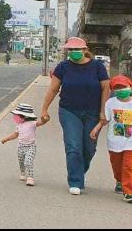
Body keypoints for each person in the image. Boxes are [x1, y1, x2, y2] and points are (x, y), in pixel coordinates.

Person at [39, 37, 111, 195]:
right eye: (71, 50)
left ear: (85, 50)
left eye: (77, 49)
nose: (74, 52)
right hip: (69, 111)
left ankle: (78, 171)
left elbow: (106, 89)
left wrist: (102, 111)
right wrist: (44, 109)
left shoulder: (97, 67)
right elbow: (53, 90)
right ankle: (76, 181)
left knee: (89, 149)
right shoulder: (63, 67)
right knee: (73, 147)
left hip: (92, 113)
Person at [90, 75, 132, 204]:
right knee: (117, 166)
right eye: (117, 88)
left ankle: (128, 192)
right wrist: (96, 129)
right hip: (115, 141)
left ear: (130, 86)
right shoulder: (111, 103)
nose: (121, 90)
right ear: (113, 90)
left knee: (128, 166)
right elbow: (105, 119)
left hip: (130, 143)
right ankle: (119, 180)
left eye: (123, 87)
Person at [1, 103, 46, 187]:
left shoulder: (32, 123)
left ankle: (30, 178)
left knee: (28, 162)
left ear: (24, 116)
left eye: (17, 115)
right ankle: (22, 172)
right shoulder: (18, 125)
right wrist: (6, 139)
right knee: (21, 162)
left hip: (30, 147)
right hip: (20, 147)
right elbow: (15, 135)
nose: (15, 117)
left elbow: (41, 123)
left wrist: (44, 119)